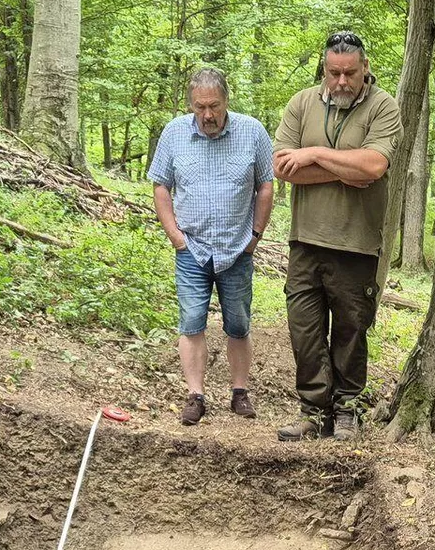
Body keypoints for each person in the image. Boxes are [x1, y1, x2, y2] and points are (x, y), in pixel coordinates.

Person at [272, 30, 402, 443]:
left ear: (365, 68)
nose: (342, 81)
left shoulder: (384, 107)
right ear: (324, 69)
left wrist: (311, 155)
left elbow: (374, 165)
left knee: (350, 330)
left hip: (357, 243)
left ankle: (346, 409)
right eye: (334, 73)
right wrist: (345, 170)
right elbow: (280, 166)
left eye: (350, 73)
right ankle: (312, 411)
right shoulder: (301, 103)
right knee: (304, 329)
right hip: (305, 240)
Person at [148, 68, 276, 426]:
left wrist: (255, 236)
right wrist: (175, 236)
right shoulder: (174, 133)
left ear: (226, 102)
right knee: (191, 322)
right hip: (192, 249)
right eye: (200, 107)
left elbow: (266, 185)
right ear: (191, 105)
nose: (207, 115)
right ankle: (196, 395)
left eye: (214, 106)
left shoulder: (252, 132)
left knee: (238, 323)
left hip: (237, 249)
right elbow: (161, 186)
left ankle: (239, 392)